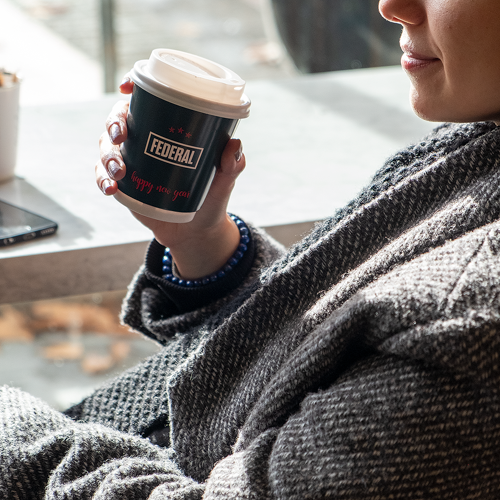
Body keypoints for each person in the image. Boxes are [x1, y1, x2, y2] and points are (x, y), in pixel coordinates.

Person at [2, 0, 500, 498]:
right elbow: (321, 356)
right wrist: (204, 241)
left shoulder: (469, 330)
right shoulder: (482, 146)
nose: (391, 7)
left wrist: (15, 437)